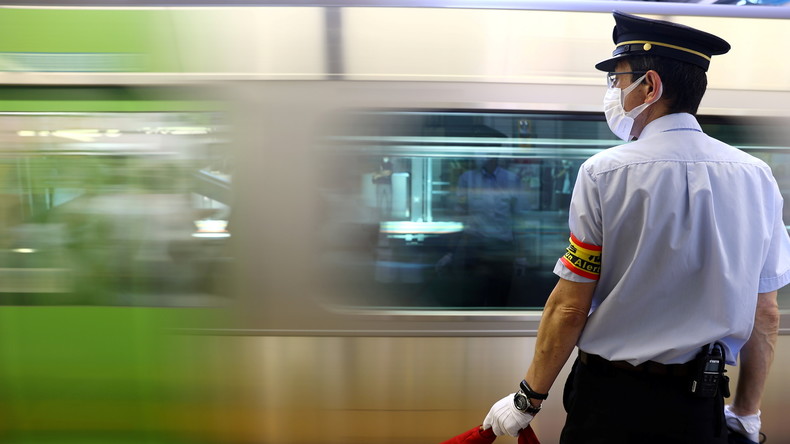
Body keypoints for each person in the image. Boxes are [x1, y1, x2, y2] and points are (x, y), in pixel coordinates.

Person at [481, 11, 790, 444]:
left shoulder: (604, 173)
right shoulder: (758, 177)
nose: (614, 91)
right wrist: (746, 412)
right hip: (700, 407)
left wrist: (528, 398)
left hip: (609, 404)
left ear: (650, 86)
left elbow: (569, 306)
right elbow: (766, 312)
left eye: (618, 79)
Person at [436, 154, 526, 307]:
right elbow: (460, 216)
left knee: (499, 301)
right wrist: (450, 252)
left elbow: (519, 219)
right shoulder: (467, 179)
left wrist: (521, 256)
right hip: (474, 247)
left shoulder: (511, 179)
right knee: (472, 301)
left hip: (502, 249)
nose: (481, 157)